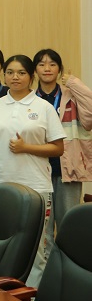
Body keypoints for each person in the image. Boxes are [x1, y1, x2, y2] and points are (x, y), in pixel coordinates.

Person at [0, 54, 66, 287]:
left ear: (31, 76)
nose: (15, 77)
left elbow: (58, 148)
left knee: (37, 249)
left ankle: (34, 296)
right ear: (4, 75)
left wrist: (26, 147)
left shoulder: (44, 107)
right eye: (10, 72)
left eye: (21, 73)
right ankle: (0, 291)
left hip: (36, 186)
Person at [32, 48, 92, 276]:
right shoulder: (31, 99)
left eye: (52, 64)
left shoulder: (71, 95)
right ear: (35, 70)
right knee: (42, 229)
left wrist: (74, 83)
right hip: (39, 170)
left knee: (68, 225)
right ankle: (46, 277)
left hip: (69, 169)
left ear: (59, 69)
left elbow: (90, 116)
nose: (47, 68)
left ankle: (68, 275)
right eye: (41, 64)